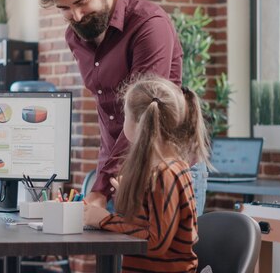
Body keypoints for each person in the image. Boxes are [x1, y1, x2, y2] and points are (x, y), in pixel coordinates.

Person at [35, 0, 184, 209]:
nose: (76, 16)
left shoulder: (148, 26)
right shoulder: (75, 37)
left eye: (82, 1)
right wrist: (103, 179)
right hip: (114, 171)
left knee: (154, 252)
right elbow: (109, 116)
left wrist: (101, 186)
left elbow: (143, 117)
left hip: (159, 170)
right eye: (64, 8)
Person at [83, 75, 210, 272]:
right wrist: (133, 196)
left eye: (125, 116)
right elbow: (149, 225)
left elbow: (155, 242)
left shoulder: (166, 174)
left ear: (139, 125)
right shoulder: (169, 170)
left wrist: (104, 219)